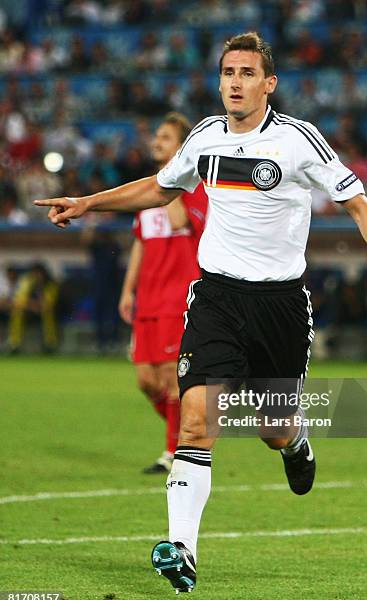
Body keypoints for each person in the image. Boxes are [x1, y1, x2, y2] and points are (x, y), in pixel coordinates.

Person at [35, 32, 367, 594]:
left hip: (281, 305)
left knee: (272, 427)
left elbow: (358, 205)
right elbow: (159, 188)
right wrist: (90, 202)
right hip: (216, 297)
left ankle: (294, 441)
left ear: (269, 84)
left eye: (246, 73)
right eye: (227, 73)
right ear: (218, 81)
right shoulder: (205, 138)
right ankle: (182, 550)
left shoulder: (297, 142)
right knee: (196, 419)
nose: (234, 82)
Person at [118, 113, 208, 474]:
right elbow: (141, 241)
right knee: (145, 380)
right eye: (157, 135)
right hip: (148, 299)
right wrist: (128, 291)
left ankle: (174, 451)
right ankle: (190, 429)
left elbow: (179, 222)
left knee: (172, 376)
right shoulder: (147, 190)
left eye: (166, 137)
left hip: (178, 294)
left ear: (182, 147)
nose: (156, 141)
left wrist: (175, 174)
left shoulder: (193, 187)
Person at [7, 262, 59, 353]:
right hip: (29, 310)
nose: (37, 276)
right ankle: (14, 344)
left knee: (48, 313)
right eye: (35, 274)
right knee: (17, 312)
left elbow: (48, 303)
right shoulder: (27, 281)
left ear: (44, 274)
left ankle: (50, 344)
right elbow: (20, 300)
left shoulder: (51, 284)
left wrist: (38, 305)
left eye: (39, 274)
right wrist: (33, 306)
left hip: (47, 311)